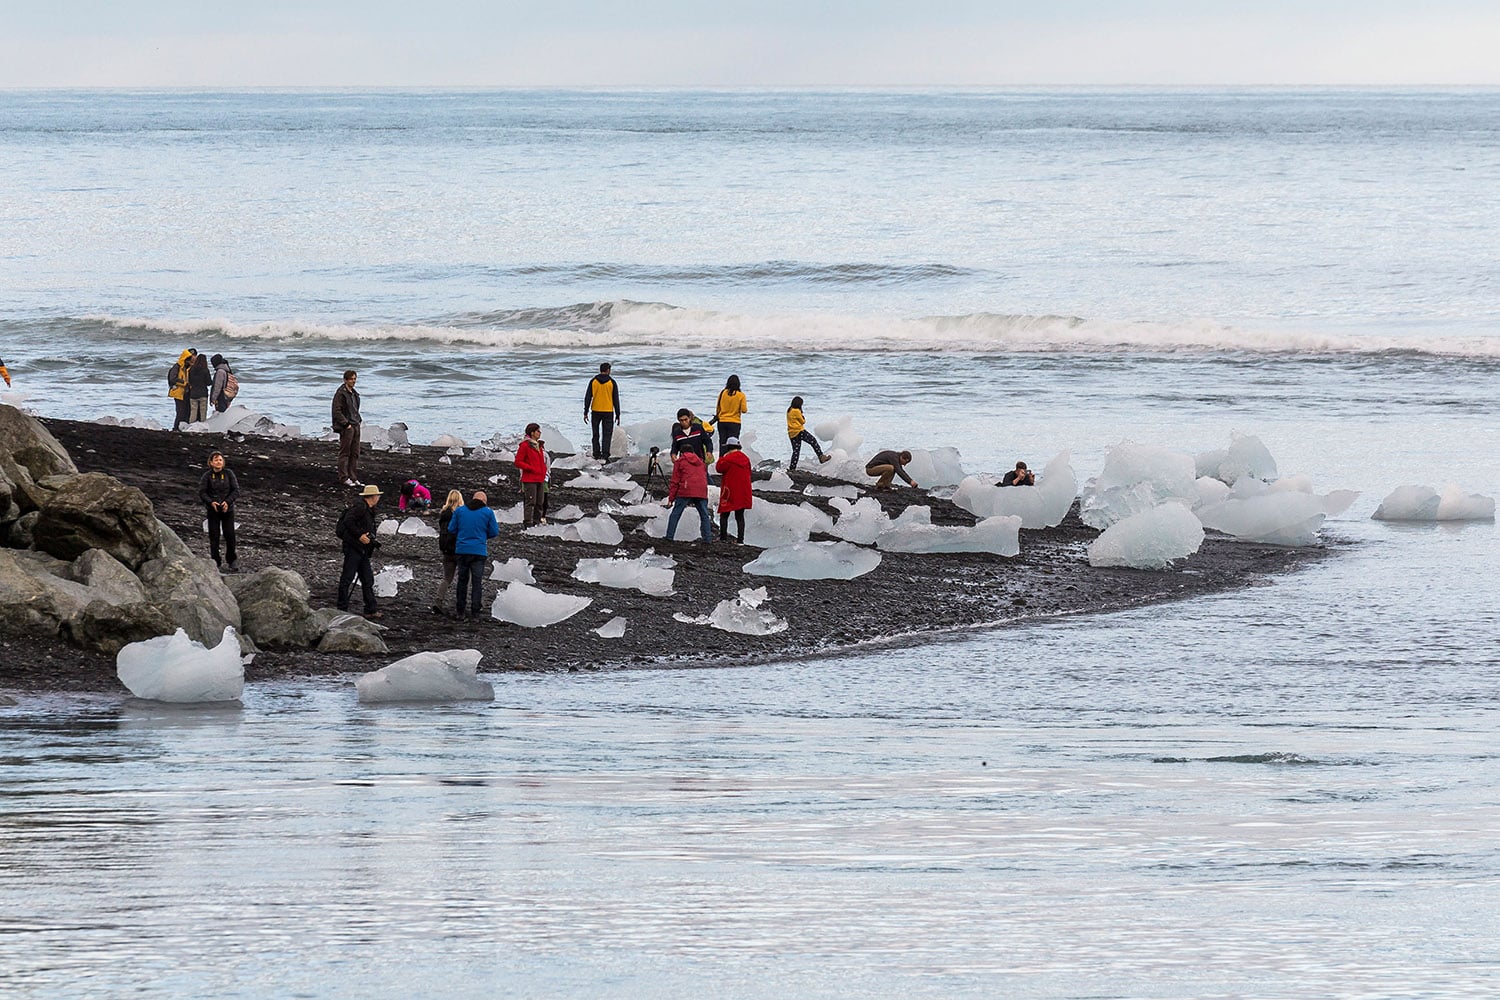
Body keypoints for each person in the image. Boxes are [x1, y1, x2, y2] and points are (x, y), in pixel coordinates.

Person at [448, 489, 499, 620]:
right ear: (484, 501)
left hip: (462, 550)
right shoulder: (488, 512)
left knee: (462, 581)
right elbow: (494, 531)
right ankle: (475, 611)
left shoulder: (460, 511)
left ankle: (460, 611)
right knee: (477, 582)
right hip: (479, 551)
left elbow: (451, 528)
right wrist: (482, 536)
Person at [336, 484, 382, 619]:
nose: (379, 497)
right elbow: (348, 521)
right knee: (347, 578)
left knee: (367, 579)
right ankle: (342, 608)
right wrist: (360, 536)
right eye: (377, 495)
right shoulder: (360, 508)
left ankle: (370, 609)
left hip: (362, 550)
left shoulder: (368, 509)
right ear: (373, 496)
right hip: (353, 548)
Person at [197, 451, 240, 572]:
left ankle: (232, 560)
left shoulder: (229, 474)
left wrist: (227, 502)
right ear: (211, 463)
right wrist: (211, 502)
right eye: (216, 460)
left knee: (230, 535)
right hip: (213, 511)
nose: (218, 462)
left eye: (220, 460)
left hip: (228, 510)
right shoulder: (207, 476)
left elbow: (236, 490)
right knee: (214, 536)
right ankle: (215, 561)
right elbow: (202, 492)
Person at [665, 448, 713, 542]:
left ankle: (669, 536)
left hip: (686, 489)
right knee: (704, 515)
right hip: (701, 490)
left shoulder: (679, 462)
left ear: (681, 453)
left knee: (676, 513)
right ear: (693, 452)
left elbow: (675, 481)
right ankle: (707, 538)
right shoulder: (701, 462)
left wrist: (671, 498)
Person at [715, 437, 753, 544]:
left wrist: (722, 457)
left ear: (728, 446)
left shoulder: (727, 459)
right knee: (739, 516)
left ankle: (723, 537)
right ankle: (740, 540)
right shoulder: (746, 459)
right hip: (743, 491)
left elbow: (719, 468)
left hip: (730, 490)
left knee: (724, 513)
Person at [431, 489, 463, 615]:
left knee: (447, 578)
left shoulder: (443, 514)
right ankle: (461, 603)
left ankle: (438, 600)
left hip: (446, 550)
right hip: (458, 550)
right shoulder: (459, 514)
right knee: (464, 577)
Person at [584, 362, 622, 461]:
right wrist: (618, 414)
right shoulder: (612, 382)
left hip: (595, 410)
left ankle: (596, 453)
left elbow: (588, 397)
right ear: (608, 370)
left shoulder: (593, 381)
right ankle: (605, 454)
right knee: (607, 434)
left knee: (595, 433)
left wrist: (585, 412)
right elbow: (616, 400)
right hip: (608, 411)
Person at [514, 422, 550, 527]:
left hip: (540, 478)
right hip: (530, 479)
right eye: (538, 431)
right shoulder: (525, 446)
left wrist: (543, 471)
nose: (540, 433)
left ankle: (537, 522)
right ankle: (528, 523)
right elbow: (518, 462)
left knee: (540, 502)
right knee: (531, 501)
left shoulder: (539, 445)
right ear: (532, 432)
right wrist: (530, 468)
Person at [332, 369, 363, 487]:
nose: (353, 381)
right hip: (347, 426)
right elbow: (336, 411)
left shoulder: (355, 393)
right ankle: (343, 477)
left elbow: (355, 409)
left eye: (355, 379)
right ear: (345, 380)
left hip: (356, 424)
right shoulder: (341, 393)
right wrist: (346, 424)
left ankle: (353, 477)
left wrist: (358, 421)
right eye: (351, 379)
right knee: (345, 452)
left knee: (355, 452)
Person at [786, 395, 829, 470]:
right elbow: (803, 421)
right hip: (799, 431)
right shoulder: (796, 411)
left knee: (796, 451)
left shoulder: (789, 410)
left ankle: (792, 468)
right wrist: (802, 416)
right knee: (813, 441)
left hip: (791, 433)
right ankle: (821, 457)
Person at [714, 374, 747, 454]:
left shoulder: (722, 393)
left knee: (722, 443)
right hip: (734, 422)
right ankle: (732, 461)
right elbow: (744, 410)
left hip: (722, 421)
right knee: (733, 445)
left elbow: (718, 408)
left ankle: (722, 460)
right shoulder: (741, 395)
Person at [168, 348, 196, 432]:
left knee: (187, 412)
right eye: (189, 360)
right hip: (178, 393)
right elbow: (172, 379)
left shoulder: (188, 367)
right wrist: (184, 383)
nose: (190, 362)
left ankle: (183, 429)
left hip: (186, 393)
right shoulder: (177, 367)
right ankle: (176, 428)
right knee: (180, 413)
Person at [186, 352, 212, 423]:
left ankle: (191, 427)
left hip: (193, 393)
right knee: (203, 413)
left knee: (193, 412)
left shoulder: (191, 370)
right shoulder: (205, 370)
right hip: (203, 393)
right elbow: (209, 382)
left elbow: (189, 381)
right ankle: (203, 427)